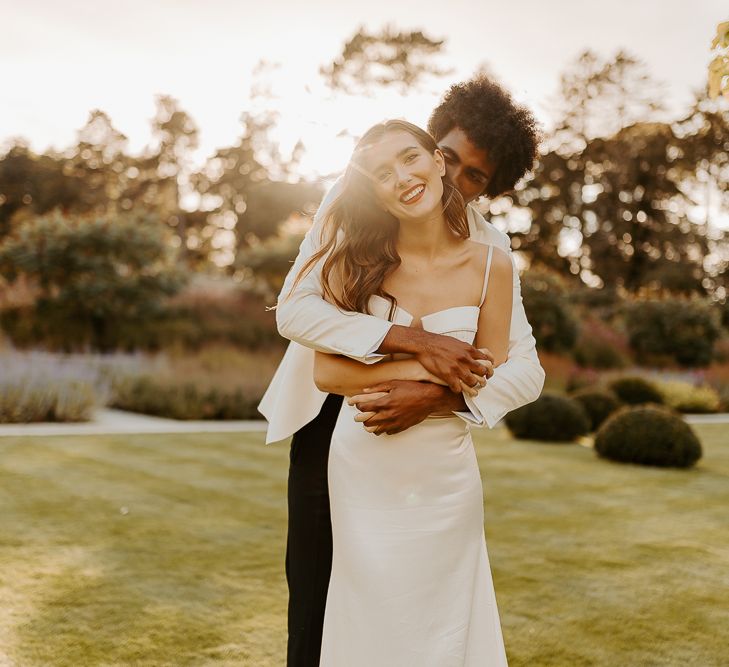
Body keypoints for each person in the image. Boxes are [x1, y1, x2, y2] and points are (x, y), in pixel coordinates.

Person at [258, 75, 544, 666]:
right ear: (433, 145)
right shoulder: (353, 203)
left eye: (477, 177)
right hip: (329, 417)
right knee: (315, 595)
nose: (457, 181)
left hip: (430, 441)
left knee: (420, 609)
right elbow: (298, 307)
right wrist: (412, 339)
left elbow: (521, 367)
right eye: (452, 158)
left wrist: (441, 399)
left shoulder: (491, 253)